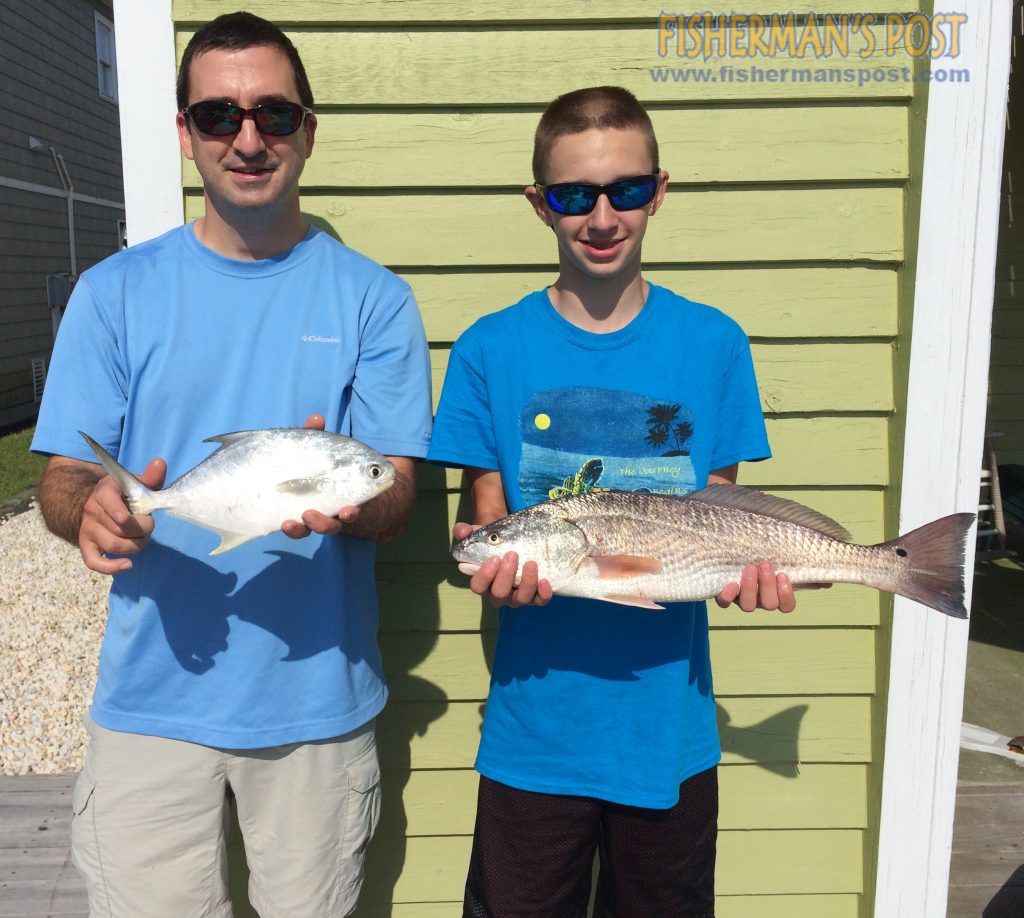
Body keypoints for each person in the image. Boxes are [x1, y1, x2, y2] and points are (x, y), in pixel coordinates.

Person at [31, 12, 431, 918]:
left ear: (308, 130)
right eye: (218, 117)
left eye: (273, 115)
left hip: (316, 713)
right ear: (184, 133)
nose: (247, 139)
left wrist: (347, 503)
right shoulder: (112, 294)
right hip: (148, 706)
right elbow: (61, 473)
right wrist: (94, 505)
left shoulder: (374, 300)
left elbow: (398, 493)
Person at [428, 86, 807, 917]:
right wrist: (483, 563)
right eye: (574, 196)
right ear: (541, 205)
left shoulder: (714, 343)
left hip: (667, 741)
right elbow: (486, 524)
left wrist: (751, 575)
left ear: (658, 190)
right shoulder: (490, 349)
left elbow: (720, 522)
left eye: (625, 190)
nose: (602, 216)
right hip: (533, 746)